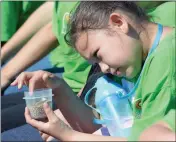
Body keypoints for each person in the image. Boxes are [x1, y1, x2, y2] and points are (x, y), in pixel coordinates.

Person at [13, 1, 175, 141]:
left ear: (119, 22)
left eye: (98, 54)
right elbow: (98, 126)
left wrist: (70, 136)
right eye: (96, 62)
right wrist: (58, 88)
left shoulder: (167, 58)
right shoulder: (133, 61)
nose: (103, 68)